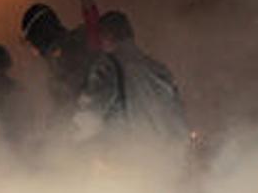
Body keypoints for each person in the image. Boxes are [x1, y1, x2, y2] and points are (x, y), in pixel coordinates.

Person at [73, 10, 189, 145]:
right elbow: (179, 125)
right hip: (162, 157)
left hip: (126, 156)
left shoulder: (108, 67)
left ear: (107, 36)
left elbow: (90, 113)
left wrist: (70, 139)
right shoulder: (160, 70)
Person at [21, 0, 101, 130]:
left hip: (91, 138)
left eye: (29, 43)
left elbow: (95, 29)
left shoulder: (70, 48)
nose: (31, 51)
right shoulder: (58, 55)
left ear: (37, 36)